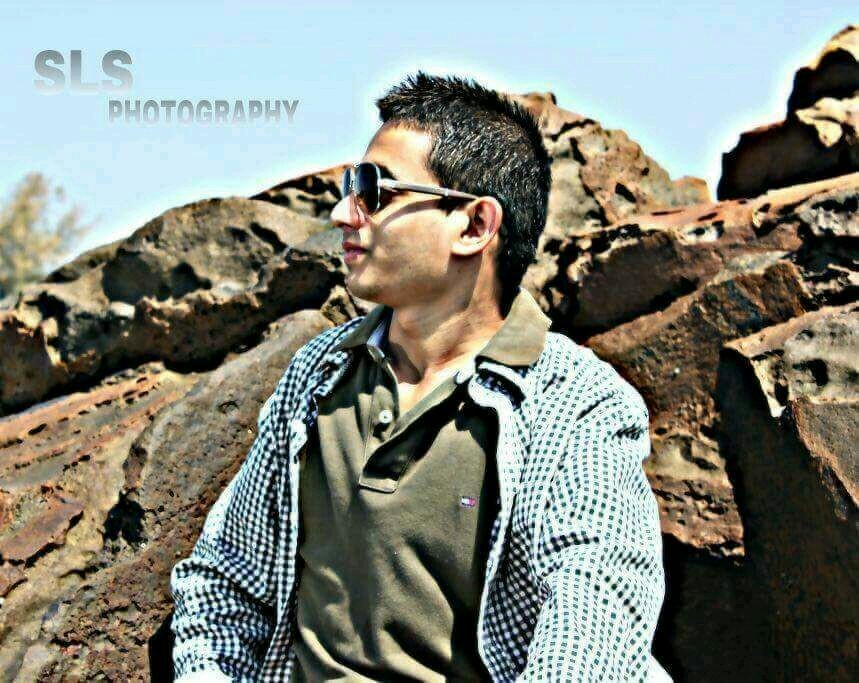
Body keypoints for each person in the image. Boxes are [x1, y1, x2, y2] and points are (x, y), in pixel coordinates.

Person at [170, 71, 670, 682]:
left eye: (373, 190)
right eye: (349, 186)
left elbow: (593, 631)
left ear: (475, 226)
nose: (343, 212)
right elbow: (222, 582)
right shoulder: (319, 375)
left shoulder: (577, 405)